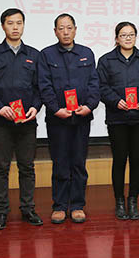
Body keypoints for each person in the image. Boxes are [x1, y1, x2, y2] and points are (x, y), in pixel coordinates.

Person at [0, 8, 43, 229]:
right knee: (0, 168)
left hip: (27, 121)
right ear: (2, 26)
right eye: (10, 23)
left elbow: (40, 87)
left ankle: (28, 209)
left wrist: (35, 107)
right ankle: (0, 212)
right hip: (1, 122)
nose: (15, 27)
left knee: (27, 167)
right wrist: (0, 107)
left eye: (19, 23)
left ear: (23, 25)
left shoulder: (34, 55)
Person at [38, 13, 100, 224]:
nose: (65, 32)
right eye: (61, 28)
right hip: (58, 119)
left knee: (79, 163)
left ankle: (77, 205)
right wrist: (56, 109)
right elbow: (44, 85)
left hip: (81, 118)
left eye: (69, 28)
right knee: (60, 163)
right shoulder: (46, 55)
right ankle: (59, 205)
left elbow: (94, 83)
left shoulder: (86, 53)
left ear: (75, 29)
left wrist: (89, 106)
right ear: (55, 31)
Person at [97, 22, 139, 220]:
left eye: (131, 34)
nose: (128, 38)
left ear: (136, 37)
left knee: (136, 160)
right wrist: (116, 101)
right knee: (119, 160)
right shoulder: (106, 61)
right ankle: (119, 201)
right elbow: (101, 86)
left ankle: (133, 201)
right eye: (124, 35)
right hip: (117, 119)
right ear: (116, 38)